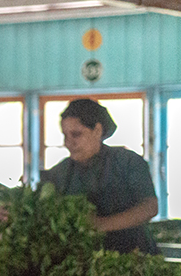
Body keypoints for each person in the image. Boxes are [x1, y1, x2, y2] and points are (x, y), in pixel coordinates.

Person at [40, 98, 159, 255]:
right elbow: (40, 211)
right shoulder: (59, 173)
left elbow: (150, 207)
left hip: (134, 258)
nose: (68, 143)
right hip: (82, 261)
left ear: (97, 130)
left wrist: (100, 224)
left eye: (76, 134)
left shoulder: (126, 161)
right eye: (65, 135)